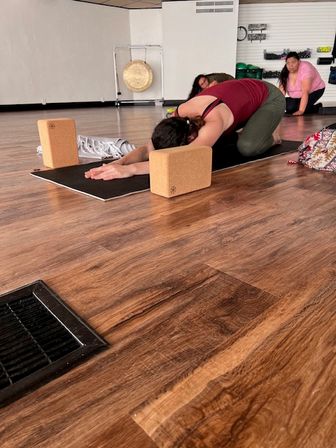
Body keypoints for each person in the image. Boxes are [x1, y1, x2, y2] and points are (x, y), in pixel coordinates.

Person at [85, 78, 285, 181]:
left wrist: (129, 170)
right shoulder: (175, 116)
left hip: (269, 98)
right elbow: (148, 149)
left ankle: (272, 134)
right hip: (241, 99)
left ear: (190, 137)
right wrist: (117, 163)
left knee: (247, 147)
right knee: (220, 145)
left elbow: (184, 160)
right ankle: (251, 125)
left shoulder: (213, 120)